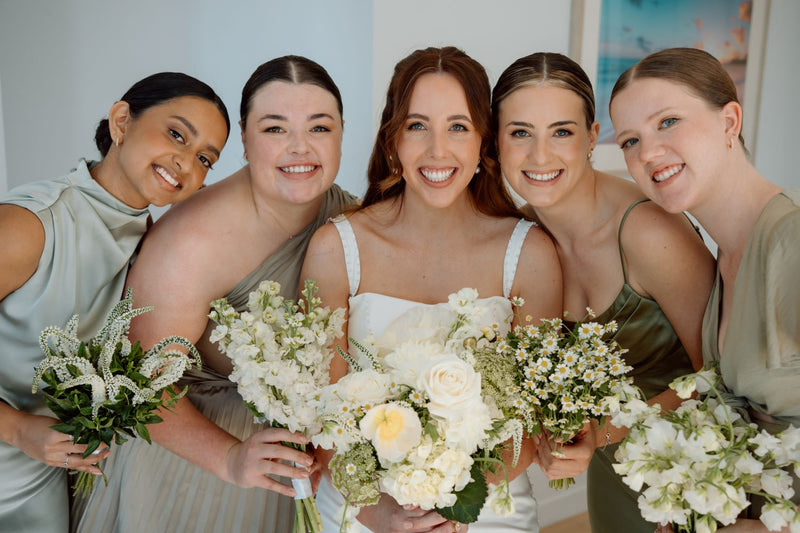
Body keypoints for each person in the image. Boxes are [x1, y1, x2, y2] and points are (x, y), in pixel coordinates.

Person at [70, 55, 356, 533]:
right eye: (275, 129)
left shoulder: (353, 220)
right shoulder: (191, 241)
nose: (299, 148)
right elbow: (143, 387)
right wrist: (229, 459)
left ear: (342, 132)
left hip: (296, 471)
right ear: (244, 139)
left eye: (319, 128)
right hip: (193, 472)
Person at [301, 46, 563, 533]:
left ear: (484, 140)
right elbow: (323, 418)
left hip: (485, 506)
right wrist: (380, 512)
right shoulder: (337, 248)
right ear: (392, 139)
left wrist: (451, 504)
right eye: (417, 125)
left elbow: (528, 426)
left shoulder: (528, 252)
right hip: (360, 504)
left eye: (458, 126)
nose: (437, 150)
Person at [491, 52, 716, 533]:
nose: (540, 156)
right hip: (613, 476)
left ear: (592, 138)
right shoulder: (521, 241)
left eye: (562, 132)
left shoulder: (649, 233)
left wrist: (602, 433)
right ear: (497, 143)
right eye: (520, 132)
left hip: (696, 474)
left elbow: (719, 375)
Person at [0, 72, 230, 533]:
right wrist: (17, 429)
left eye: (204, 157)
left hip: (53, 471)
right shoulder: (31, 225)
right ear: (122, 120)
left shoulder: (156, 245)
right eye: (176, 134)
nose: (185, 162)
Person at [610, 47, 799, 533]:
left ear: (729, 121)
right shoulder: (724, 258)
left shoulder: (790, 244)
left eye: (668, 121)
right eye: (630, 140)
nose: (647, 153)